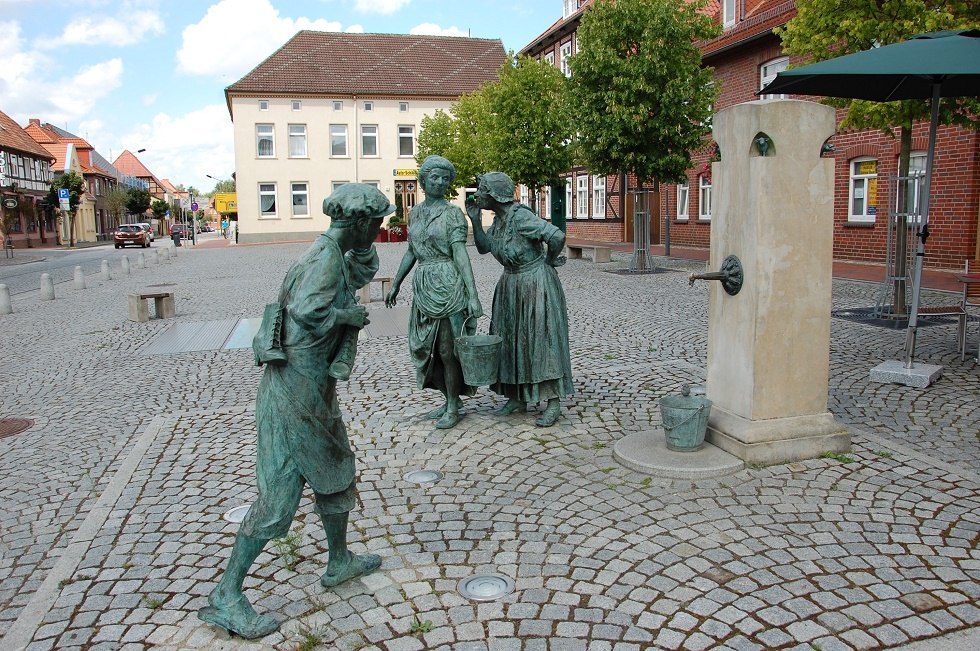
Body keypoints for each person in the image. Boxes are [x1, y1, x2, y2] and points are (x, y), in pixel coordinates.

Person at [198, 183, 392, 639]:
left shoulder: (334, 253)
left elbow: (359, 272)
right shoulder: (324, 259)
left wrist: (361, 247)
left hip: (313, 387)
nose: (380, 228)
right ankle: (227, 595)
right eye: (376, 222)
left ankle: (339, 560)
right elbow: (306, 314)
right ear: (360, 221)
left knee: (336, 468)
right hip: (293, 394)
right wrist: (346, 317)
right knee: (279, 497)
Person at [465, 172, 573, 427]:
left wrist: (548, 261)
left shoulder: (520, 216)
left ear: (494, 194)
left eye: (481, 190)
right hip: (511, 285)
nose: (477, 194)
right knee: (511, 341)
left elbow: (556, 236)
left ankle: (553, 402)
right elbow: (484, 247)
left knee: (541, 340)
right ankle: (517, 397)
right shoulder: (499, 221)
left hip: (535, 283)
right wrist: (476, 221)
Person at [385, 155, 482, 429]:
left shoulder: (452, 214)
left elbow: (460, 254)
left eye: (444, 178)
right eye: (434, 177)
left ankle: (452, 405)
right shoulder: (415, 213)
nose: (439, 182)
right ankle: (451, 398)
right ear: (423, 181)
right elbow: (411, 251)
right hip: (424, 285)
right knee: (425, 349)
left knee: (447, 350)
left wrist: (472, 294)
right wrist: (396, 282)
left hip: (449, 285)